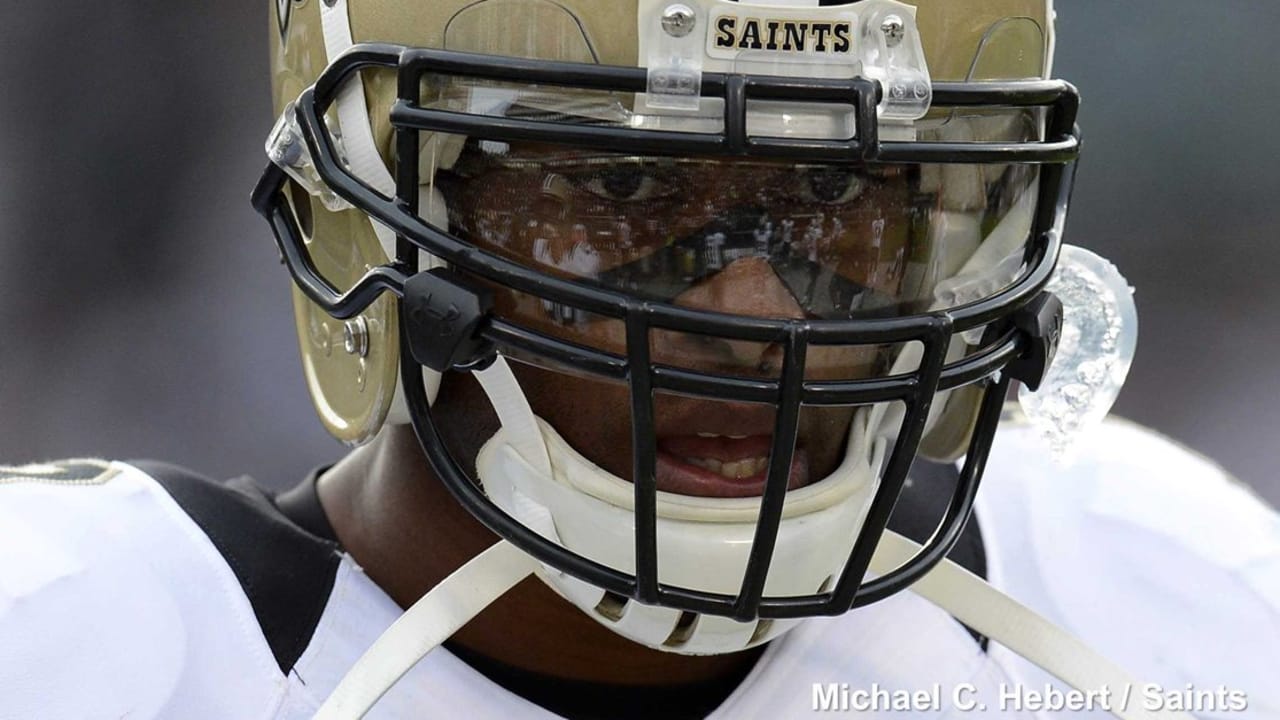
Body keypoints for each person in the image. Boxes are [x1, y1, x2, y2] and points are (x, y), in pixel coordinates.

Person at [2, 0, 1276, 718]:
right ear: (373, 206)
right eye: (620, 188)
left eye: (834, 196)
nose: (748, 306)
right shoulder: (79, 646)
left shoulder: (1159, 603)